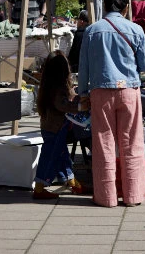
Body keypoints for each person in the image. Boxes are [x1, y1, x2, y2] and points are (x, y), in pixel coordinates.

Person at [78, 0, 145, 208]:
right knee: (132, 144)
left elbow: (84, 67)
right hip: (129, 90)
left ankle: (106, 197)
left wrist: (83, 92)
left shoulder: (92, 30)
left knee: (103, 144)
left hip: (100, 92)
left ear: (104, 7)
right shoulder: (135, 29)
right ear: (126, 8)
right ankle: (133, 196)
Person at [33, 51, 89, 199]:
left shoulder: (48, 84)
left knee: (63, 155)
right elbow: (62, 104)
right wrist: (79, 107)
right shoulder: (57, 87)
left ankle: (72, 182)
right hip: (55, 128)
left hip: (51, 127)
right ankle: (39, 187)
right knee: (50, 157)